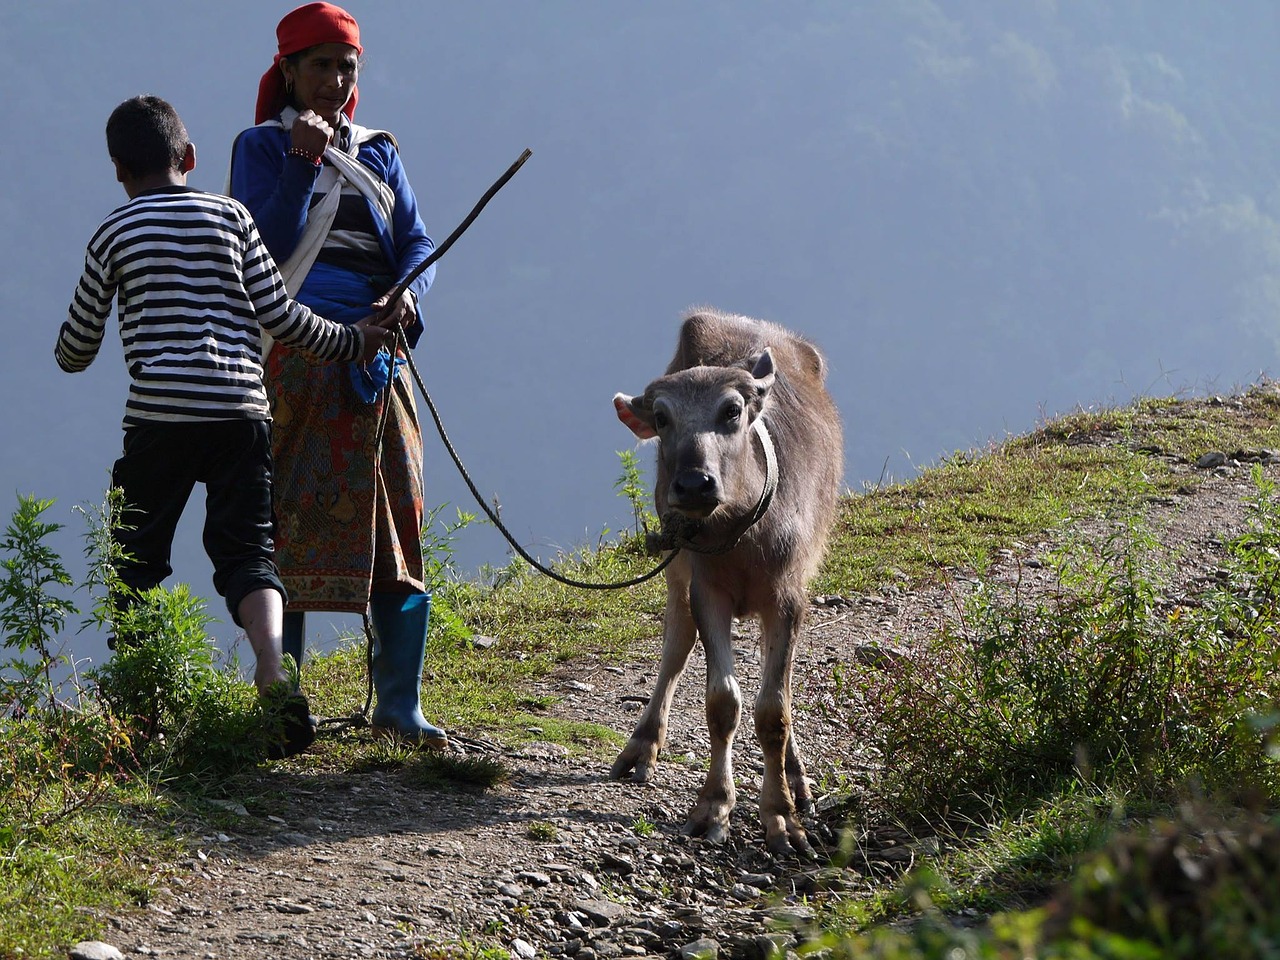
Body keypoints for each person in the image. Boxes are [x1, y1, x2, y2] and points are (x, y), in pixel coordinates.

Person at [55, 94, 396, 758]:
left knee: (135, 561)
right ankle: (273, 669)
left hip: (160, 419)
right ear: (190, 158)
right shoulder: (232, 217)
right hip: (242, 408)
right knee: (249, 556)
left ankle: (142, 710)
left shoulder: (115, 233)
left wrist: (69, 348)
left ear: (119, 169)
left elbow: (77, 349)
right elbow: (285, 318)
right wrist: (356, 340)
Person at [228, 2, 447, 748]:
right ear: (288, 70)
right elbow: (261, 244)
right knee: (280, 529)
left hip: (378, 364)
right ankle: (283, 701)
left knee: (398, 524)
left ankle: (399, 703)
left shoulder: (380, 151)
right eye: (319, 64)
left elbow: (416, 239)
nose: (333, 79)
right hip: (295, 358)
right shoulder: (260, 148)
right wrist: (300, 160)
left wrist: (408, 296)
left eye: (345, 66)